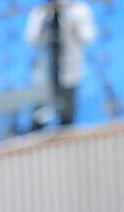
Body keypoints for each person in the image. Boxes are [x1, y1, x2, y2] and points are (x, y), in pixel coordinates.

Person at [25, 0, 96, 128]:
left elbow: (88, 37)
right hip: (45, 76)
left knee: (67, 118)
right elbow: (31, 40)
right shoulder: (40, 12)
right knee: (39, 119)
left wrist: (70, 21)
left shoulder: (79, 10)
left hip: (69, 74)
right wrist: (44, 21)